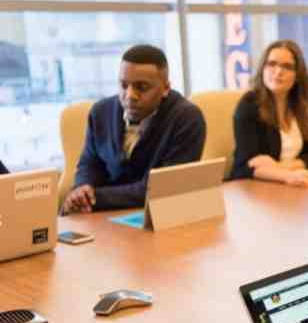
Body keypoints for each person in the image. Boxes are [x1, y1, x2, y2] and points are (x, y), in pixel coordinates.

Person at [62, 45, 206, 214]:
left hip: (155, 216)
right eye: (123, 85)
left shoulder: (187, 118)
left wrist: (94, 197)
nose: (130, 95)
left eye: (142, 87)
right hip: (99, 216)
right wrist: (82, 188)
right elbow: (89, 163)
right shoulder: (100, 112)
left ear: (166, 88)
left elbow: (161, 189)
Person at [230, 40, 308, 187]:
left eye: (287, 67)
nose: (278, 72)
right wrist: (287, 176)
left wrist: (279, 167)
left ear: (298, 75)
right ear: (262, 68)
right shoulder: (249, 105)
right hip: (255, 189)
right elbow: (247, 165)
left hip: (297, 184)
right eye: (271, 64)